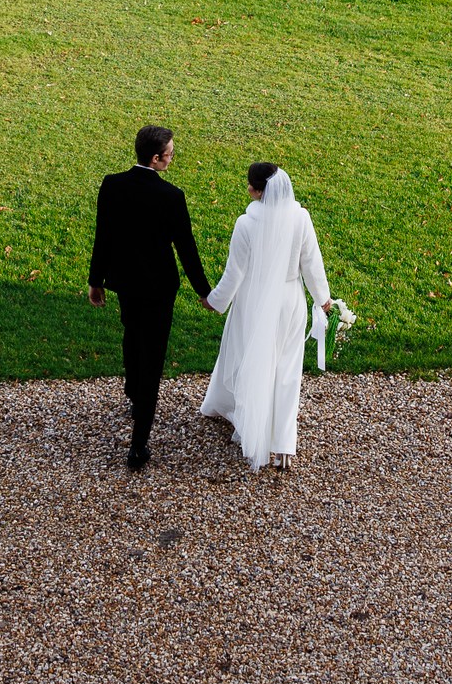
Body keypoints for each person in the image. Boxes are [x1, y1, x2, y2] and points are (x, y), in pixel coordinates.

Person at [89, 124, 211, 470]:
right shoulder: (171, 196)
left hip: (125, 281)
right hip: (158, 287)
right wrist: (203, 291)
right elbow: (186, 248)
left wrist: (95, 280)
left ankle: (132, 390)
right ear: (156, 158)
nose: (172, 160)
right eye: (170, 154)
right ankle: (138, 444)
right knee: (153, 355)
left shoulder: (112, 185)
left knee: (131, 331)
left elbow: (104, 236)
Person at [201, 163, 332, 472]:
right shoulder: (301, 218)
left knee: (251, 360)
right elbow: (311, 264)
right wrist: (322, 299)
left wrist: (215, 301)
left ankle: (249, 422)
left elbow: (235, 273)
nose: (248, 190)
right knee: (287, 372)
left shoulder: (246, 224)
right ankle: (284, 444)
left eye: (250, 186)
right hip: (289, 302)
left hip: (254, 301)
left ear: (257, 191)